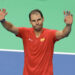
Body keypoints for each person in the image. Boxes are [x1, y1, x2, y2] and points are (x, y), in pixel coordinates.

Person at [0, 8, 73, 75]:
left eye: (39, 20)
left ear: (43, 19)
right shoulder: (24, 32)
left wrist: (68, 25)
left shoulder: (50, 34)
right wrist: (3, 21)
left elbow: (64, 33)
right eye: (34, 21)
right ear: (30, 22)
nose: (37, 23)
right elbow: (11, 27)